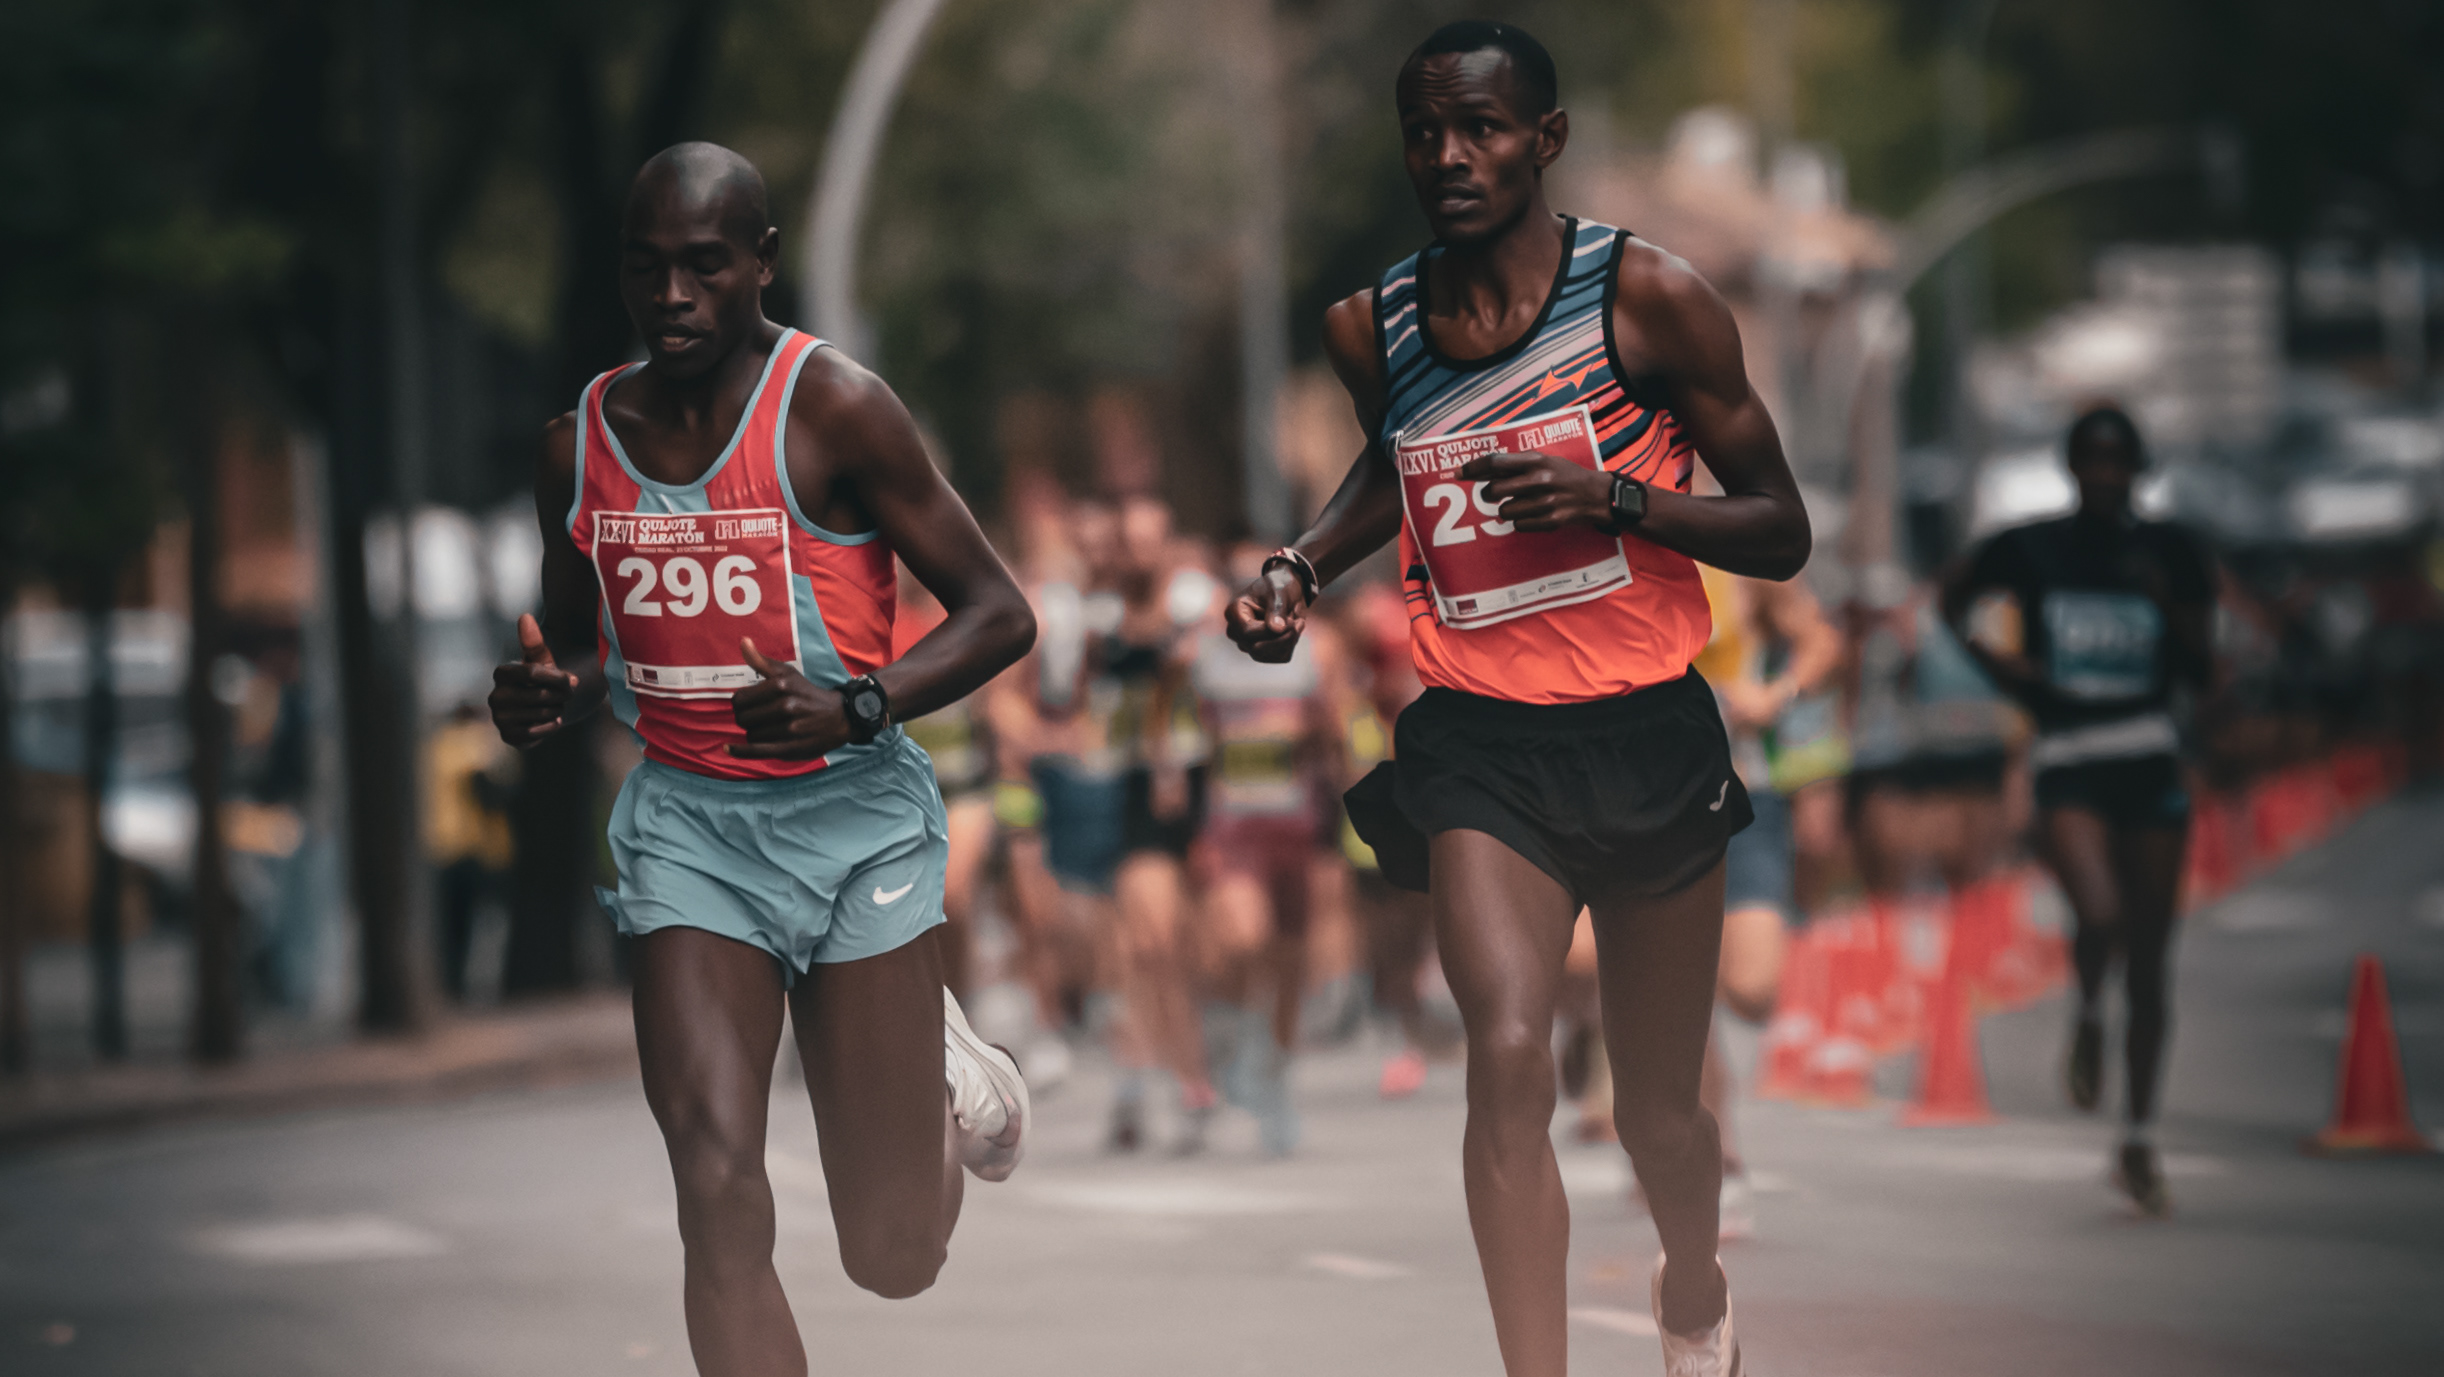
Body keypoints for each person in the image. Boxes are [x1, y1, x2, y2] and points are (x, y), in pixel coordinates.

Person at [1226, 23, 1809, 1375]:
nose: (1449, 156)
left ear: (1544, 139)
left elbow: (1781, 528)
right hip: (1481, 741)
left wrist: (1615, 499)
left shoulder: (1648, 300)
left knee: (1660, 1115)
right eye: (1424, 132)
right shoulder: (1369, 325)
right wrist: (1297, 566)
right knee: (1505, 1054)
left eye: (1480, 129)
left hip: (1647, 731)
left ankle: (1692, 1286)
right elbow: (1394, 466)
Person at [486, 143, 1036, 1376]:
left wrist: (858, 705)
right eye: (646, 268)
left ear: (763, 262)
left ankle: (946, 1068)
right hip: (689, 835)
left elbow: (1000, 613)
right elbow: (576, 643)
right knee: (715, 1186)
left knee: (892, 1253)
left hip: (856, 827)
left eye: (704, 266)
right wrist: (544, 691)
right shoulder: (579, 444)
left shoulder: (835, 408)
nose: (673, 295)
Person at [1941, 403, 2214, 1218]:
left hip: (2149, 753)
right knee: (2099, 912)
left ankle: (2138, 1137)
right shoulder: (2033, 546)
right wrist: (2006, 669)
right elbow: (1951, 597)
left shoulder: (2171, 549)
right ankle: (2090, 1010)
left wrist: (2167, 608)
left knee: (2153, 959)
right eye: (2091, 460)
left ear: (2138, 470)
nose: (2104, 475)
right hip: (2068, 756)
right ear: (2070, 467)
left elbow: (2205, 667)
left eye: (2118, 461)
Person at [1691, 563, 1842, 1238]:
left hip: (1746, 795)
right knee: (1685, 987)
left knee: (1753, 988)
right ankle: (1718, 1156)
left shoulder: (1730, 551)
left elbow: (1821, 640)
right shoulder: (1617, 543)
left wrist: (1776, 694)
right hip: (1651, 804)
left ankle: (1644, 1049)